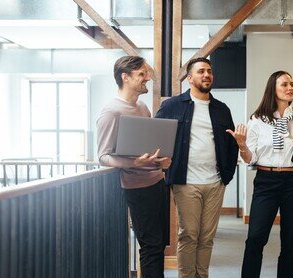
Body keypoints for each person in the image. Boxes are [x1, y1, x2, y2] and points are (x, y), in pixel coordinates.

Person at [227, 70, 293, 278]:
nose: (290, 88)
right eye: (284, 84)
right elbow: (250, 158)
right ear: (273, 89)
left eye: (292, 84)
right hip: (266, 182)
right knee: (255, 238)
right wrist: (241, 145)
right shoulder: (257, 120)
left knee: (290, 241)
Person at [155, 57, 238, 278]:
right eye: (201, 71)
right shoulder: (171, 106)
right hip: (186, 182)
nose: (207, 75)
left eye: (209, 71)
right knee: (189, 235)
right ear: (190, 78)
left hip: (215, 182)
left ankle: (203, 275)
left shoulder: (221, 109)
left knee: (207, 237)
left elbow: (231, 144)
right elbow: (157, 139)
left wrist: (226, 177)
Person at [97, 55, 171, 278]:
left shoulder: (142, 107)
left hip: (157, 181)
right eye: (141, 74)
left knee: (158, 245)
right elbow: (103, 156)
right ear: (125, 77)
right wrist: (134, 163)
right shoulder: (111, 111)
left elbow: (146, 147)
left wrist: (160, 161)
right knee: (150, 245)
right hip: (137, 186)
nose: (147, 78)